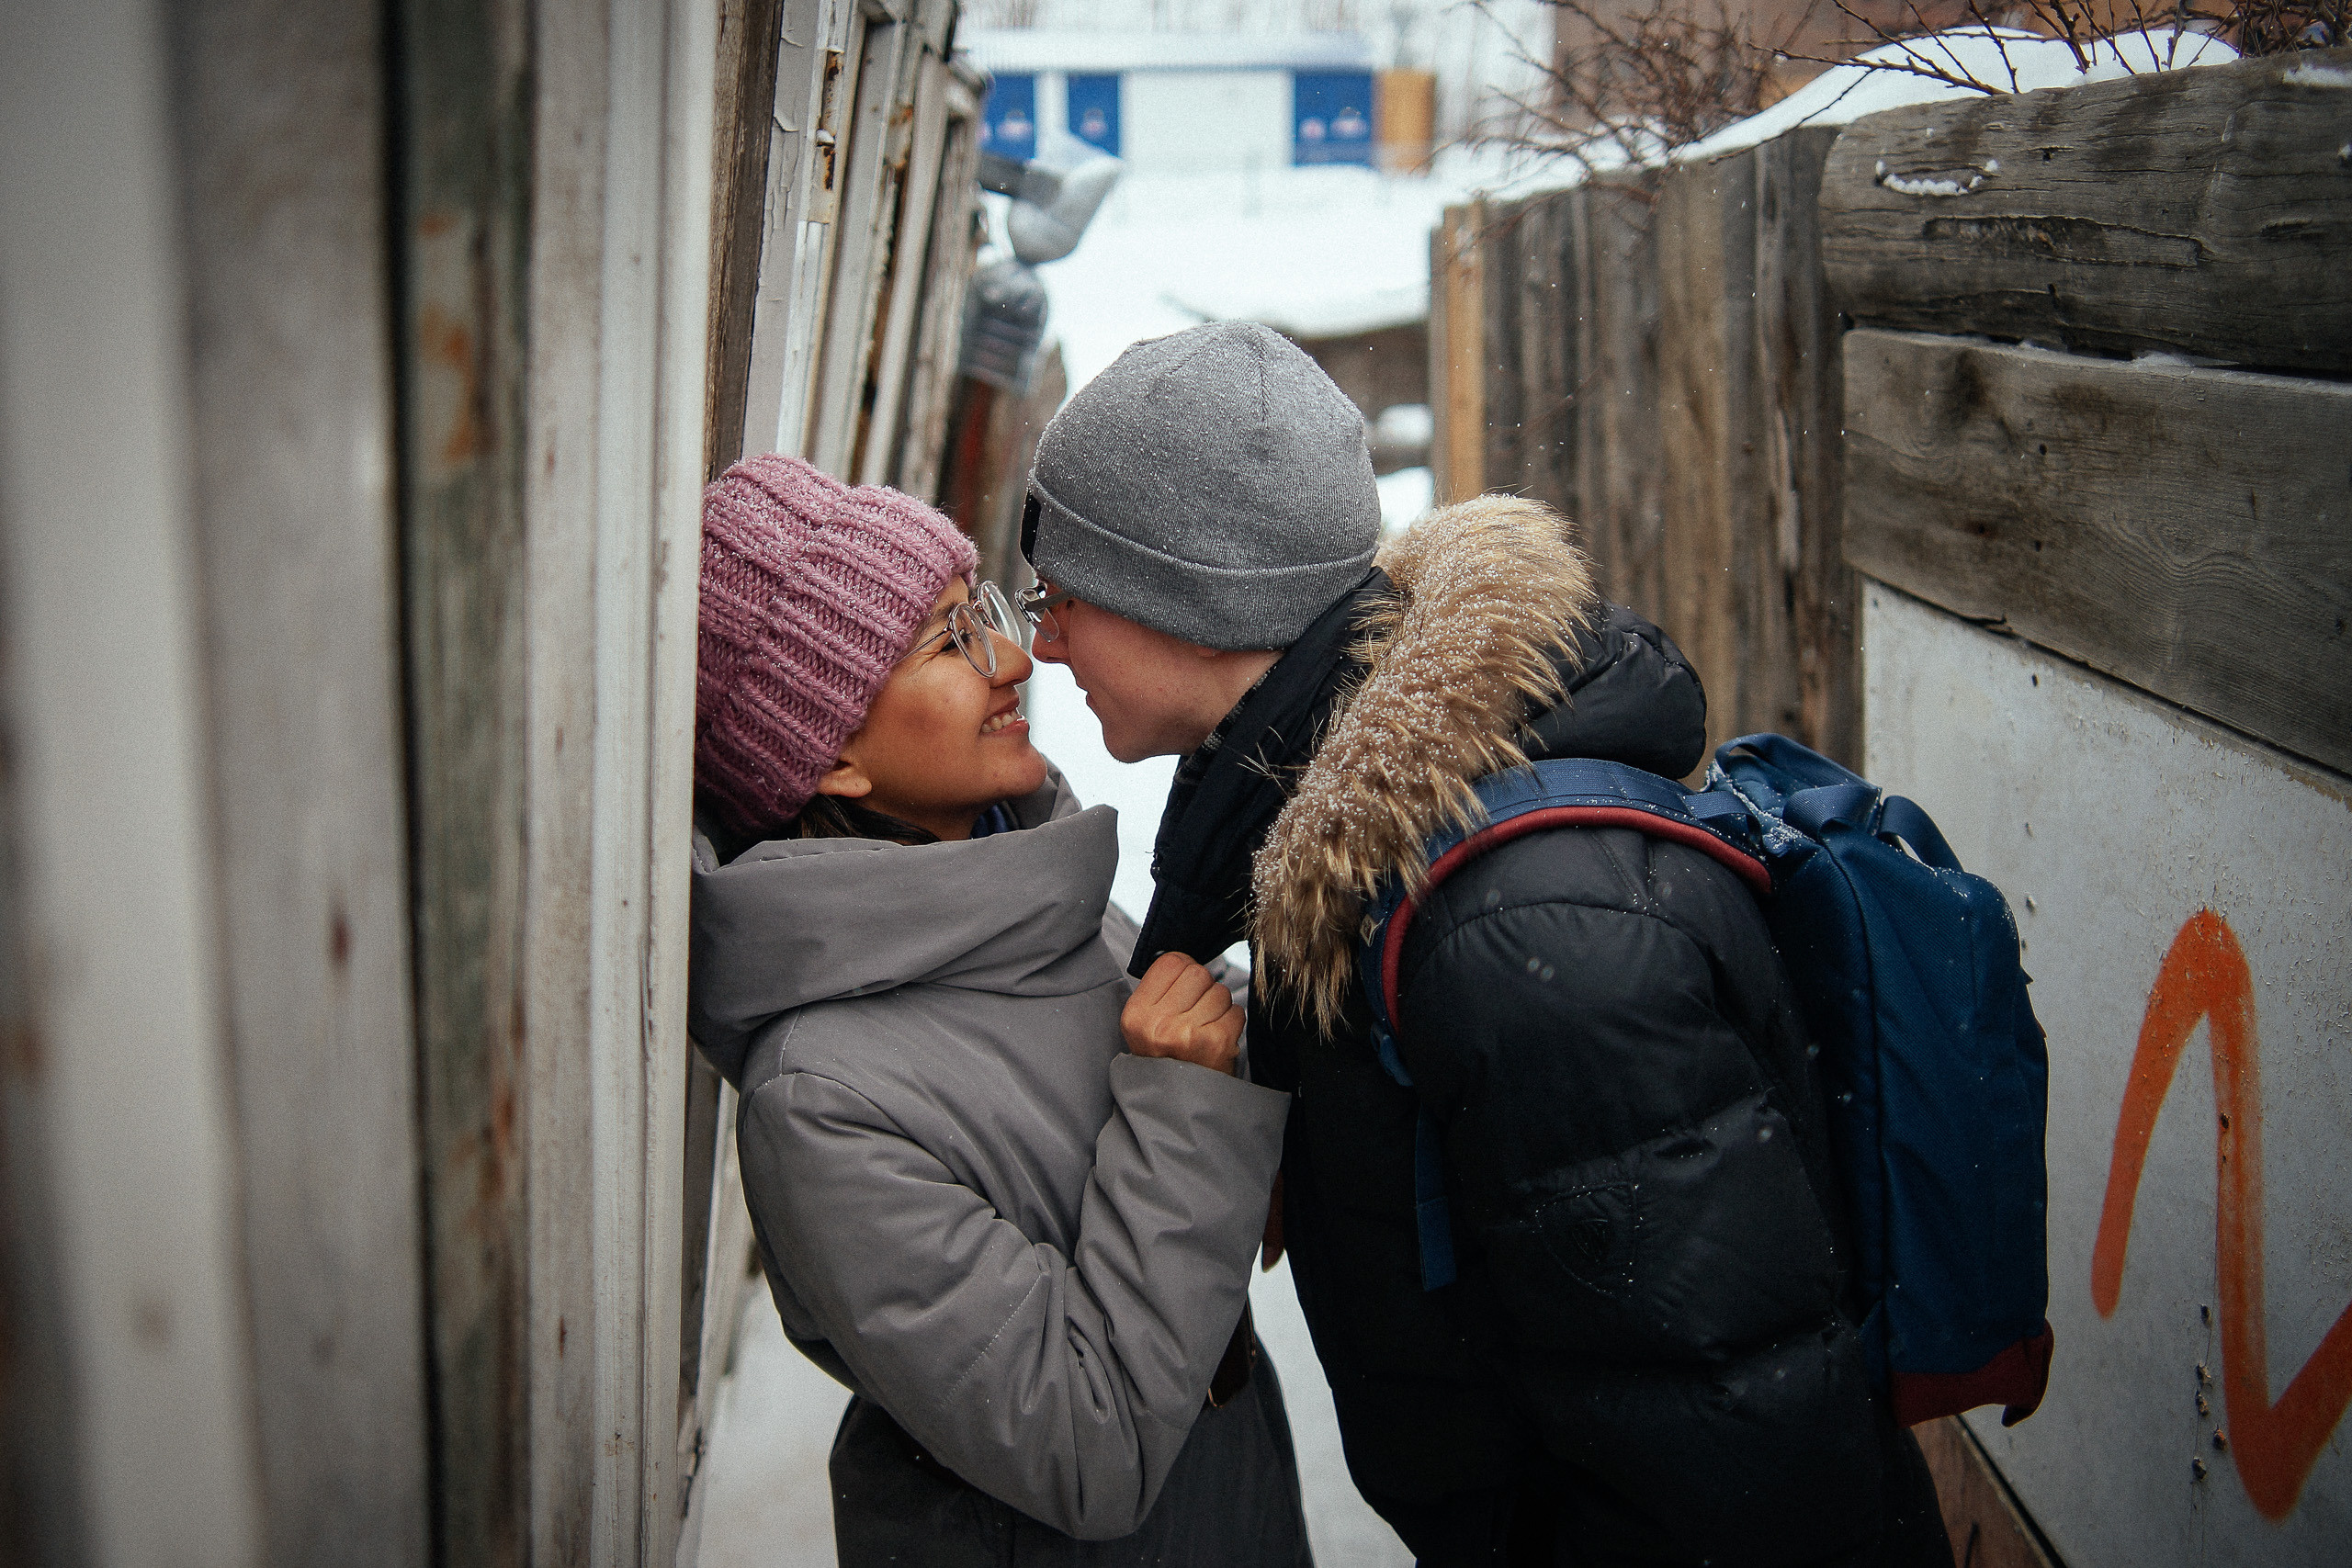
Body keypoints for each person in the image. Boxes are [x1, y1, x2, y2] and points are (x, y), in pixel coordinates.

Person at [1021, 322, 1954, 1567]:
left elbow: (1732, 1456)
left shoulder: (1521, 926)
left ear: (1193, 599)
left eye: (1063, 595)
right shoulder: (1342, 856)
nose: (1042, 644)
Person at [685, 454, 1313, 1566]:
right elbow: (1089, 1442)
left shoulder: (1035, 898)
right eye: (946, 642)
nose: (1012, 657)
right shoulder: (820, 1100)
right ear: (829, 756)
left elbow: (1165, 1077)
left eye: (980, 611)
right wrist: (1193, 1120)